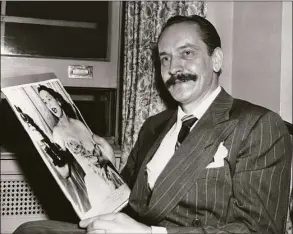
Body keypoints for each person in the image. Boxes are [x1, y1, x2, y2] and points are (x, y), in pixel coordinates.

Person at [13, 15, 292, 234]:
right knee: (31, 229)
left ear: (216, 59)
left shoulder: (258, 125)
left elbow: (260, 230)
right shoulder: (155, 125)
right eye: (165, 59)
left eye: (187, 54)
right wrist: (104, 165)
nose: (173, 68)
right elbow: (129, 202)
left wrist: (148, 233)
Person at [37, 85, 122, 210]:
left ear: (58, 100)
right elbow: (65, 172)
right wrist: (51, 155)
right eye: (45, 103)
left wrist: (107, 150)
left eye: (49, 99)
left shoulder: (78, 123)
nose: (48, 105)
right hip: (96, 183)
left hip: (108, 174)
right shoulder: (57, 132)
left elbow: (98, 149)